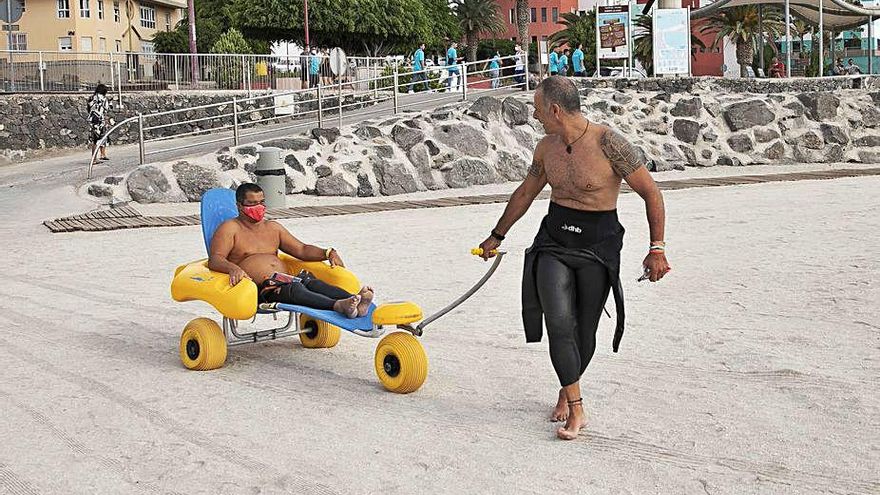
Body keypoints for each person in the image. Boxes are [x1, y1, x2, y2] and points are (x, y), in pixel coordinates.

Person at [477, 76, 670, 441]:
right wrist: (496, 234)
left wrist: (656, 247)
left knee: (584, 329)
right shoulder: (546, 148)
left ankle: (568, 387)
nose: (534, 116)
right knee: (559, 322)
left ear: (554, 109)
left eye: (537, 109)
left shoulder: (609, 143)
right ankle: (578, 409)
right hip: (554, 241)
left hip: (598, 245)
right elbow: (525, 193)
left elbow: (651, 192)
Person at [209, 183, 375, 318]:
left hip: (286, 279)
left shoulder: (273, 228)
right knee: (295, 290)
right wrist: (233, 268)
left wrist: (328, 252)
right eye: (252, 204)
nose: (258, 207)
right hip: (258, 289)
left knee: (312, 282)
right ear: (239, 206)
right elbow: (215, 259)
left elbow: (301, 249)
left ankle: (355, 300)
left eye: (261, 202)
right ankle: (338, 305)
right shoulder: (230, 229)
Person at [87, 83, 112, 161]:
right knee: (101, 138)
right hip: (100, 120)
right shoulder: (104, 99)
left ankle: (96, 157)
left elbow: (88, 108)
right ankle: (97, 157)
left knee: (94, 139)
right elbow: (106, 109)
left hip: (92, 120)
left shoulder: (91, 98)